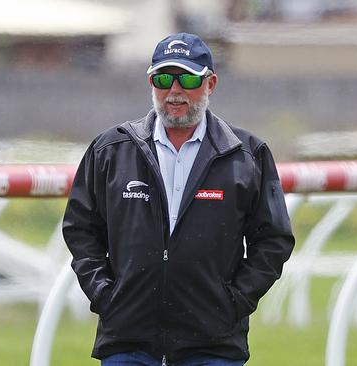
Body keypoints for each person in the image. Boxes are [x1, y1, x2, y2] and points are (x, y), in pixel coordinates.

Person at [62, 33, 295, 366]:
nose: (174, 91)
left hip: (213, 344)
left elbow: (273, 240)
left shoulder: (247, 155)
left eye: (187, 78)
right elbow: (80, 228)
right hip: (128, 341)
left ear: (210, 83)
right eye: (163, 78)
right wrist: (104, 294)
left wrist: (233, 302)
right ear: (150, 82)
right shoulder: (110, 150)